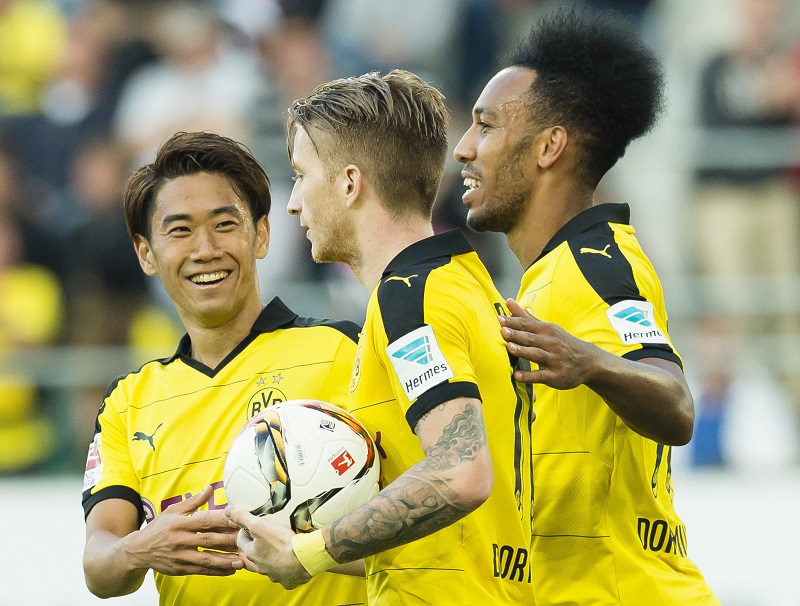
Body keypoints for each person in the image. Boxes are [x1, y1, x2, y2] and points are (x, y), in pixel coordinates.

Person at [225, 70, 535, 605]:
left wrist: (311, 552)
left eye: (301, 175)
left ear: (350, 184)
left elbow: (462, 473)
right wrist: (292, 546)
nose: (293, 202)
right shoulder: (466, 282)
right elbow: (445, 538)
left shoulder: (409, 298)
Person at [453, 9, 719, 605]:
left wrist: (591, 362)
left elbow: (676, 404)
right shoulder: (547, 278)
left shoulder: (598, 264)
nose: (464, 149)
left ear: (549, 147)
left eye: (486, 127)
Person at [81, 131, 367, 605]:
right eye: (180, 231)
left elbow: (425, 513)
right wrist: (139, 549)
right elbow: (99, 565)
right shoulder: (128, 401)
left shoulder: (343, 349)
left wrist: (312, 552)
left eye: (224, 224)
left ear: (262, 235)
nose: (206, 249)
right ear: (146, 253)